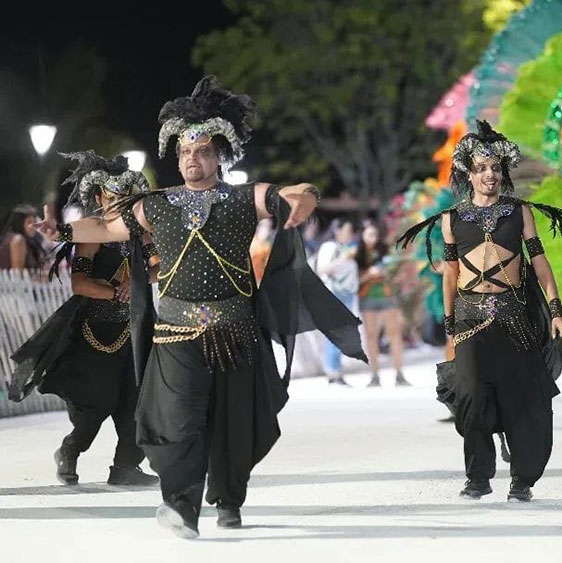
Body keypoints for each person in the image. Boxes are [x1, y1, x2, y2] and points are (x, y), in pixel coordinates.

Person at [33, 76, 367, 539]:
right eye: (186, 151)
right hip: (175, 335)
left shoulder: (243, 197)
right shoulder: (157, 204)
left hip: (235, 335)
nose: (193, 158)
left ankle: (228, 499)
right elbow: (107, 227)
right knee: (177, 421)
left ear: (219, 156)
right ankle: (181, 505)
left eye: (204, 151)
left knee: (232, 426)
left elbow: (295, 192)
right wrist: (63, 233)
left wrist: (305, 198)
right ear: (177, 157)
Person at [397, 120, 562, 502]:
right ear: (468, 173)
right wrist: (449, 323)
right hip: (469, 319)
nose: (490, 175)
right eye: (482, 168)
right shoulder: (451, 219)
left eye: (496, 168)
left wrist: (556, 310)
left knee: (523, 400)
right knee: (470, 397)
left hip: (514, 318)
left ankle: (522, 479)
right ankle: (478, 477)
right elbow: (451, 274)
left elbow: (540, 263)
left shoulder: (519, 212)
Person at [10, 151, 159, 488]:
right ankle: (70, 450)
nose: (119, 201)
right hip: (96, 334)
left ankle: (125, 467)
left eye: (125, 194)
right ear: (99, 197)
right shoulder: (91, 234)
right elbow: (79, 283)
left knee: (138, 400)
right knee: (98, 403)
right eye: (112, 195)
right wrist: (115, 291)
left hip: (137, 330)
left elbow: (159, 267)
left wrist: (138, 281)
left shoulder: (141, 233)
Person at [357, 224, 409, 387]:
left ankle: (399, 374)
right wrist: (369, 274)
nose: (372, 238)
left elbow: (397, 275)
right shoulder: (357, 254)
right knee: (371, 337)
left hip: (387, 296)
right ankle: (374, 375)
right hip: (367, 298)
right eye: (368, 235)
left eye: (374, 234)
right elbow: (354, 280)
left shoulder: (386, 252)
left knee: (394, 334)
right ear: (362, 236)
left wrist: (390, 275)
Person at [315, 218, 359, 385]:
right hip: (335, 294)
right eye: (347, 230)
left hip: (346, 294)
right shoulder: (330, 247)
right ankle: (333, 371)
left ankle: (335, 369)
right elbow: (322, 269)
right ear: (337, 231)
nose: (350, 234)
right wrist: (343, 259)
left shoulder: (345, 247)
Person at [0, 204, 46, 272]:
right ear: (19, 223)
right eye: (29, 222)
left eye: (34, 222)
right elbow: (18, 273)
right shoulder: (18, 240)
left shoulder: (31, 240)